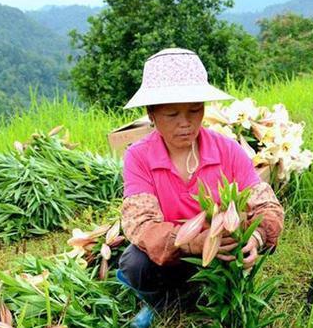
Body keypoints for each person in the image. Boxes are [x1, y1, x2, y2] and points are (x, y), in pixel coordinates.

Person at [116, 48, 284, 328]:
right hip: (176, 255)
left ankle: (211, 298)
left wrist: (254, 239)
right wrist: (193, 243)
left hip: (224, 253)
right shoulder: (139, 156)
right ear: (151, 115)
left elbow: (267, 206)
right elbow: (141, 223)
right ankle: (166, 305)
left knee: (253, 236)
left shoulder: (228, 150)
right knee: (134, 264)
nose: (186, 123)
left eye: (195, 110)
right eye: (172, 114)